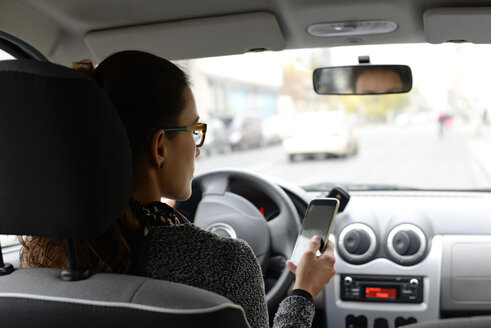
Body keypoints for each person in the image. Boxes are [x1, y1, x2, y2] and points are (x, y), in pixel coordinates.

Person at [19, 51, 336, 328]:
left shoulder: (36, 262)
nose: (197, 150)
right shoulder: (225, 262)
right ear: (159, 147)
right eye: (194, 129)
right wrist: (304, 290)